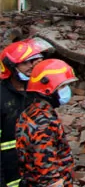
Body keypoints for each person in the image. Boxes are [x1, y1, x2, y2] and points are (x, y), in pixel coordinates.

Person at [15, 58, 77, 187]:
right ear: (48, 89)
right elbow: (47, 173)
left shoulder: (34, 111)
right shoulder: (43, 123)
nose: (67, 90)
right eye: (63, 86)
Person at [0, 38, 53, 187]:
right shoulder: (2, 98)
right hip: (9, 171)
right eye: (26, 63)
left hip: (36, 170)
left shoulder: (37, 93)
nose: (32, 66)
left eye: (34, 61)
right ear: (11, 67)